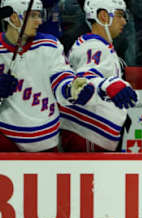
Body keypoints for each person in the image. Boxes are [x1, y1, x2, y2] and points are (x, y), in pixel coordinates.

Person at [0, 0, 124, 152]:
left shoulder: (49, 45)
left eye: (40, 15)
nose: (39, 21)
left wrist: (71, 90)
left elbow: (62, 77)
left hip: (45, 141)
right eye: (32, 16)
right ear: (13, 17)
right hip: (6, 137)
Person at [60, 0, 137, 152]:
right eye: (120, 15)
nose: (124, 21)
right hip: (89, 135)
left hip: (92, 135)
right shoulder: (94, 46)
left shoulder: (99, 45)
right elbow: (84, 81)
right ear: (103, 16)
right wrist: (108, 85)